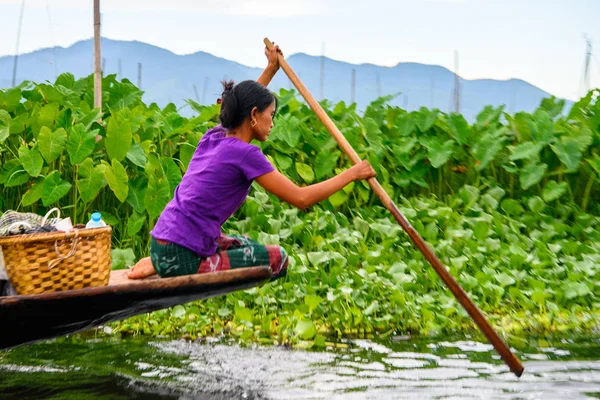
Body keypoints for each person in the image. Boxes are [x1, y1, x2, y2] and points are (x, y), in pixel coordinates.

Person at [127, 44, 376, 280]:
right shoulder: (246, 154)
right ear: (255, 115)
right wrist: (352, 174)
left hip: (163, 240)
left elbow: (242, 105)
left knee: (245, 245)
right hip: (180, 254)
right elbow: (301, 198)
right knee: (278, 259)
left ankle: (160, 261)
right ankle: (178, 266)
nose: (273, 123)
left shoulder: (214, 137)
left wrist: (270, 69)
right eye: (271, 116)